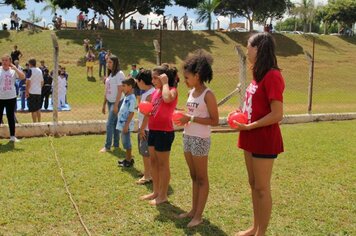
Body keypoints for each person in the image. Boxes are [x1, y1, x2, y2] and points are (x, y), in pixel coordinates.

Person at [233, 32, 285, 236]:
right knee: (253, 184)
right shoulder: (259, 75)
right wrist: (240, 115)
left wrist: (251, 126)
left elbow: (277, 114)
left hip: (263, 138)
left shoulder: (273, 75)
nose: (247, 52)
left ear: (259, 49)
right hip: (250, 135)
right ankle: (255, 227)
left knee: (262, 187)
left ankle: (260, 232)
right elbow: (254, 106)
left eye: (249, 47)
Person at [175, 49, 219, 227]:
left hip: (201, 139)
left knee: (202, 178)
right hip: (188, 136)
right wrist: (182, 117)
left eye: (187, 77)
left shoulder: (208, 94)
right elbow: (190, 113)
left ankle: (198, 216)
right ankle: (193, 210)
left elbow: (215, 120)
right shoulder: (191, 93)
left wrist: (190, 118)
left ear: (198, 75)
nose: (184, 81)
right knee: (193, 176)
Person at [140, 66, 178, 205]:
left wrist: (166, 83)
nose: (153, 80)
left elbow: (167, 99)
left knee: (163, 164)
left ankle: (163, 195)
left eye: (156, 77)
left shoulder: (171, 91)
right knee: (154, 162)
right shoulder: (156, 92)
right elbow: (153, 108)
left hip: (164, 132)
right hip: (153, 130)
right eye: (153, 77)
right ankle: (155, 192)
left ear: (164, 77)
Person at [100, 55, 125, 153]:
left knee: (109, 123)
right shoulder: (110, 75)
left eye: (110, 62)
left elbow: (120, 90)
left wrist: (116, 105)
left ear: (115, 63)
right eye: (107, 62)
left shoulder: (120, 74)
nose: (108, 64)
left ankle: (107, 146)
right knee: (114, 123)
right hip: (109, 102)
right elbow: (107, 91)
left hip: (116, 102)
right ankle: (116, 144)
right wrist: (103, 104)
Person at [135, 70, 155, 184]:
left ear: (141, 81)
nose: (137, 83)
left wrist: (142, 128)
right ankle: (148, 171)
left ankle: (147, 176)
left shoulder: (150, 95)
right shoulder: (145, 93)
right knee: (144, 152)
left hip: (147, 128)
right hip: (144, 127)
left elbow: (148, 114)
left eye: (138, 81)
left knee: (145, 153)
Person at [0, 54, 25, 142]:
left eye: (6, 60)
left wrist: (15, 68)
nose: (4, 62)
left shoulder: (13, 71)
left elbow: (22, 77)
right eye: (2, 60)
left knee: (10, 117)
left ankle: (12, 136)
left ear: (10, 62)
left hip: (11, 97)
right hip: (0, 97)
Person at [117, 78, 136, 167]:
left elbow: (131, 112)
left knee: (126, 142)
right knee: (124, 141)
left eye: (124, 86)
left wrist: (126, 125)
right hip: (123, 124)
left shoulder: (132, 98)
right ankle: (127, 158)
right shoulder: (127, 96)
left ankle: (129, 160)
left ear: (130, 87)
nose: (122, 88)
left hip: (126, 125)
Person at [26, 58, 44, 123]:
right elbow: (42, 82)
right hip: (38, 92)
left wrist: (26, 91)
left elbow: (28, 81)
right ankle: (39, 122)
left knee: (33, 109)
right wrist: (39, 88)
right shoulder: (40, 70)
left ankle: (34, 123)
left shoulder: (30, 70)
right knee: (38, 108)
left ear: (30, 64)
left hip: (32, 92)